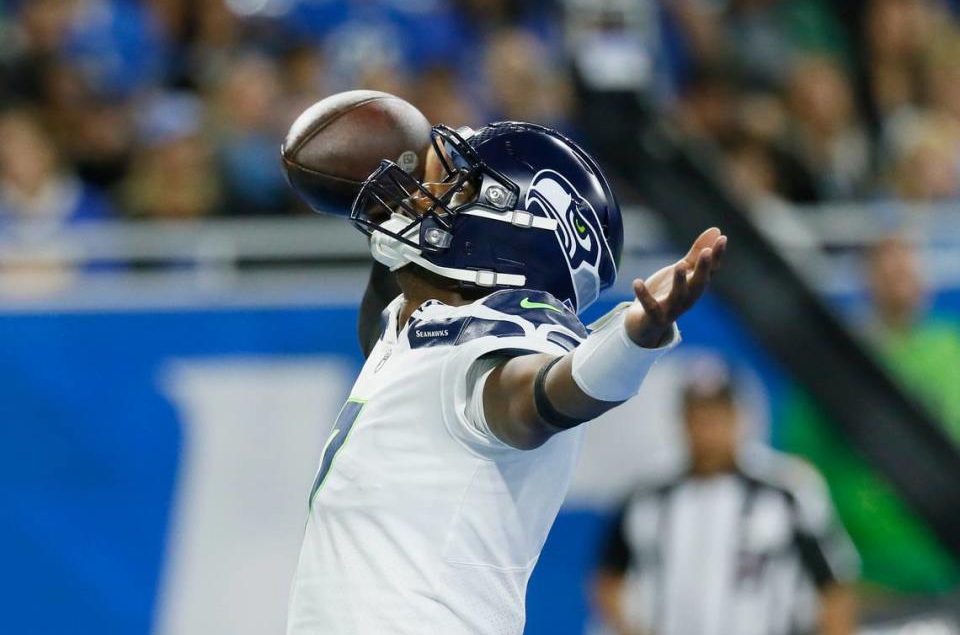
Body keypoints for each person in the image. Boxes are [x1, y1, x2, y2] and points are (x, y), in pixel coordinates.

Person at [285, 121, 727, 633]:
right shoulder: (418, 328)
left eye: (460, 186)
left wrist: (634, 339)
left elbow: (539, 399)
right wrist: (385, 186)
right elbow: (386, 320)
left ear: (516, 227)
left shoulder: (502, 334)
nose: (429, 197)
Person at [593, 359, 859, 635]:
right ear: (682, 421)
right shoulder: (647, 494)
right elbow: (609, 575)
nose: (707, 431)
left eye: (716, 417)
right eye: (697, 417)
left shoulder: (786, 488)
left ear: (736, 417)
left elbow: (833, 585)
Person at [785, 236, 960, 597]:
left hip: (948, 565)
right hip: (867, 575)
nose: (900, 280)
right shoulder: (838, 362)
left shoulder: (950, 347)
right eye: (889, 272)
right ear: (866, 281)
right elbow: (800, 466)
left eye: (907, 271)